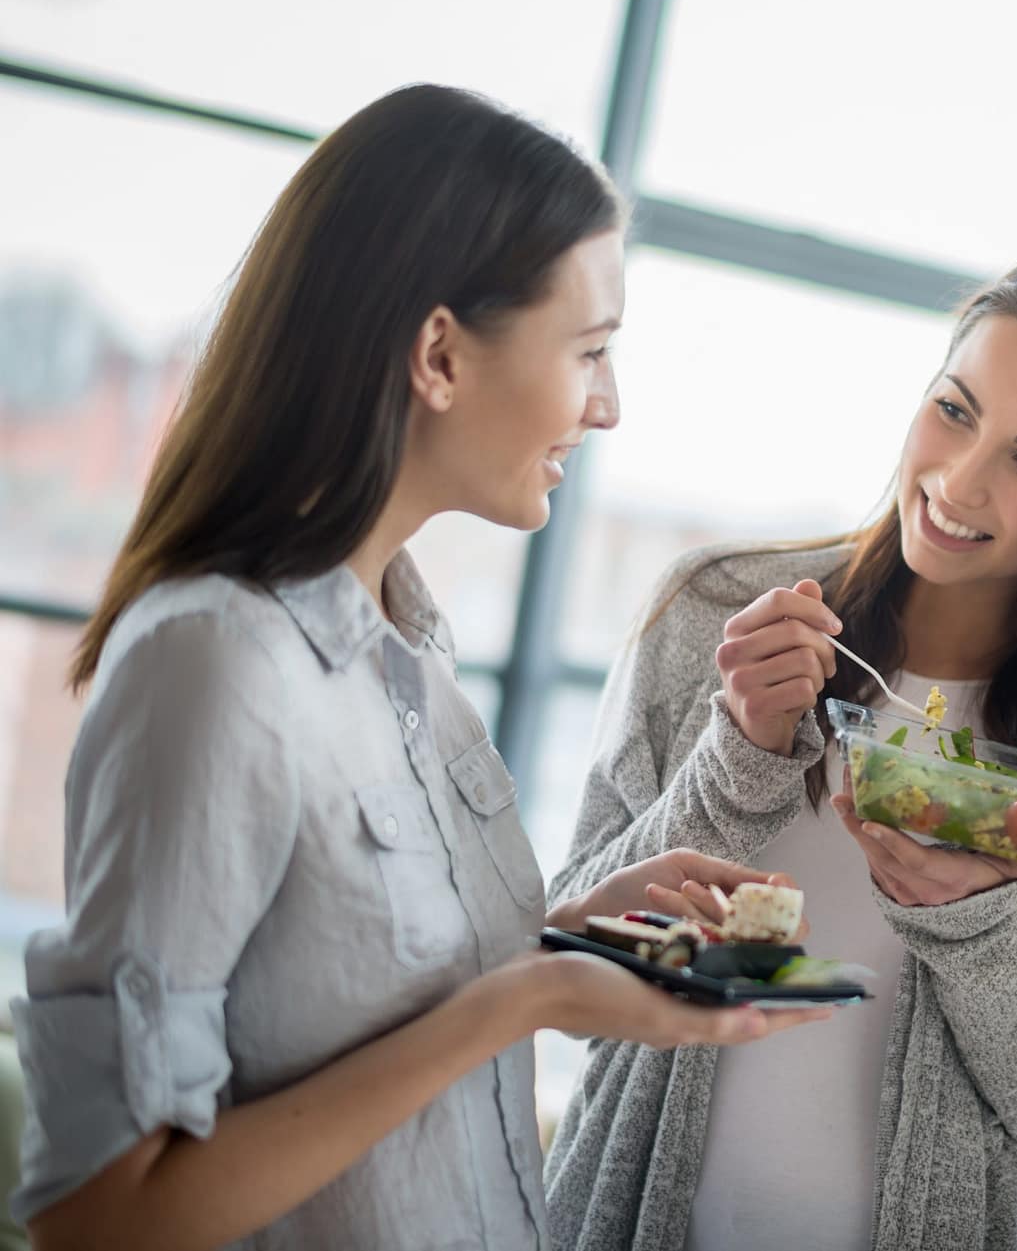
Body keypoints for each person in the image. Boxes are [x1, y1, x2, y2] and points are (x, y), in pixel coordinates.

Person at [12, 84, 823, 1251]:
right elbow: (101, 1220)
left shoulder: (406, 648)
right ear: (439, 354)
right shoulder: (215, 665)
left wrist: (564, 942)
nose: (608, 406)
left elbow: (327, 1000)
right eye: (590, 350)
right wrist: (525, 999)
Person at [543, 249, 1017, 1251]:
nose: (959, 481)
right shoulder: (716, 615)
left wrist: (979, 931)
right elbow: (566, 982)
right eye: (954, 408)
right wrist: (736, 762)